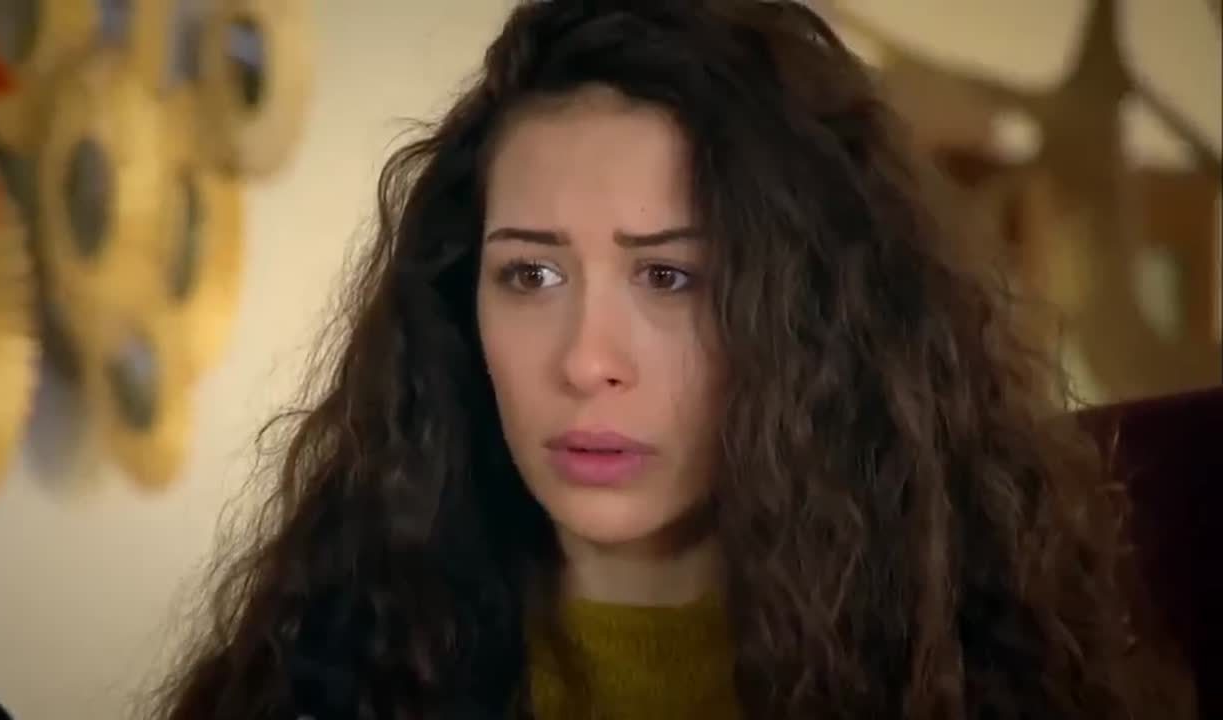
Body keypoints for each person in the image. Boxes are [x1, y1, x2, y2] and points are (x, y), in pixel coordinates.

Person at [148, 1, 1176, 718]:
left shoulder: (976, 679)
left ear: (811, 320)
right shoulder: (324, 668)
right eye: (530, 275)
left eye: (669, 277)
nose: (586, 362)